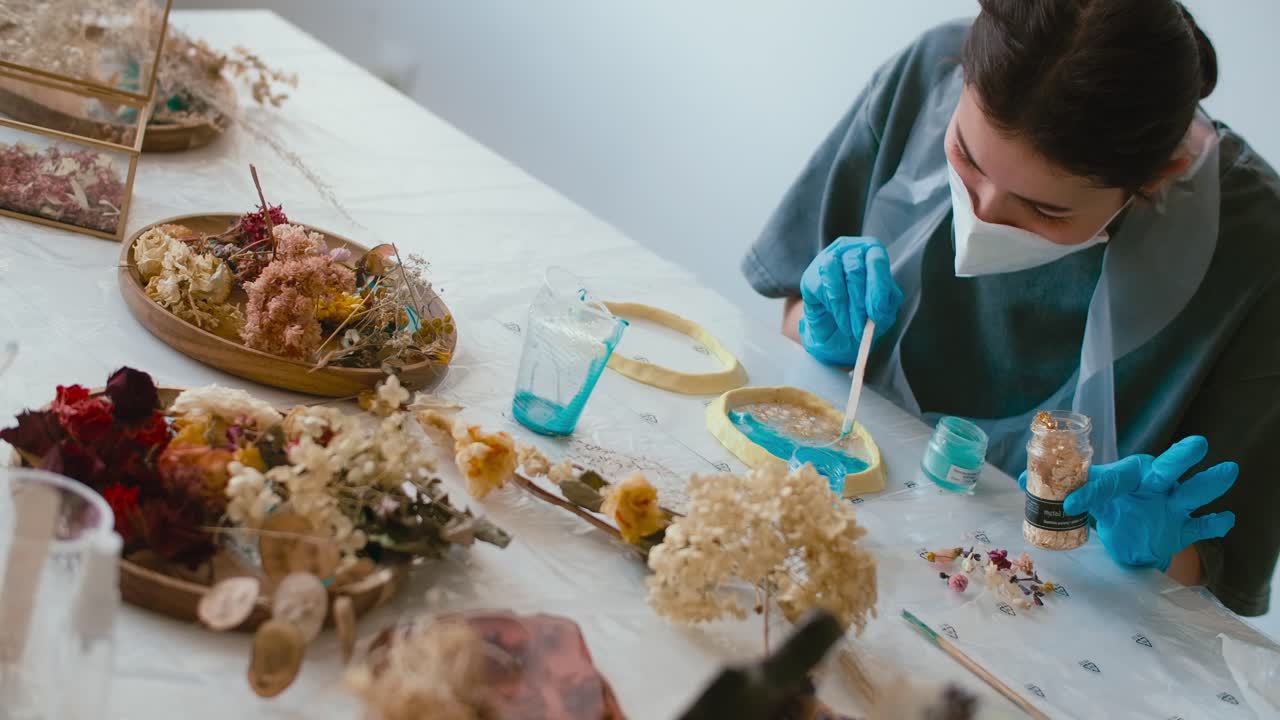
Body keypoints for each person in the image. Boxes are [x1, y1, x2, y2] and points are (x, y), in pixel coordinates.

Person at [744, 0, 1279, 618]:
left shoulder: (1254, 251)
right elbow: (792, 308)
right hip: (834, 526)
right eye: (966, 159)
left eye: (1045, 210)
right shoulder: (929, 70)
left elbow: (1213, 567)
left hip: (1034, 616)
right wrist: (818, 336)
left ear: (1162, 174)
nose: (984, 214)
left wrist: (1154, 548)